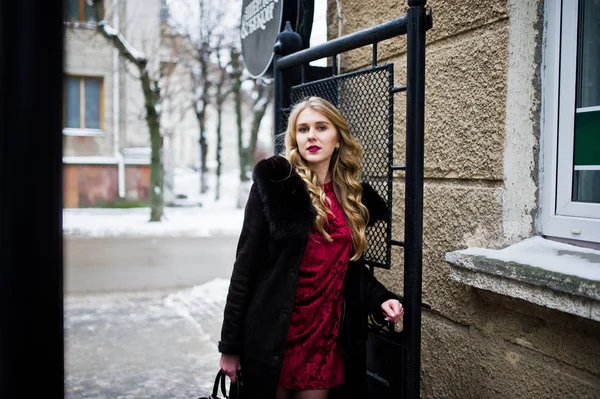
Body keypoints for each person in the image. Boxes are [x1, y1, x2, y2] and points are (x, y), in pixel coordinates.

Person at [218, 96, 404, 399]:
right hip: (273, 334)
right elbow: (245, 269)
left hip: (324, 338)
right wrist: (229, 347)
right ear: (295, 139)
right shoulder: (277, 185)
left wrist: (382, 300)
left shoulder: (353, 198)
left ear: (338, 139)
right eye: (303, 129)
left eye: (321, 127)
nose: (312, 136)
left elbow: (348, 269)